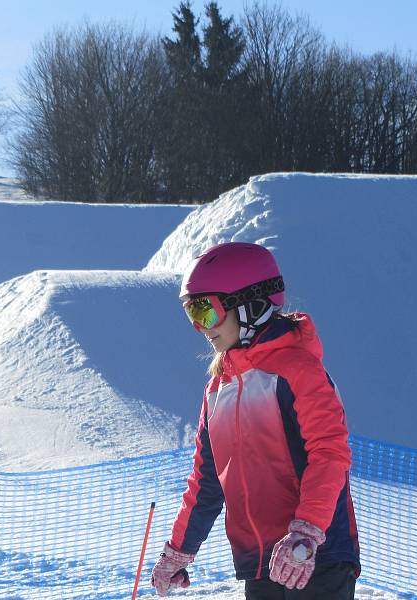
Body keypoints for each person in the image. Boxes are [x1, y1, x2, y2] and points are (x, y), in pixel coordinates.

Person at [150, 242, 360, 599]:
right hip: (261, 563)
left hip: (316, 556)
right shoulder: (218, 390)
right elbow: (206, 482)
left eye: (206, 312)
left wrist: (306, 532)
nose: (201, 328)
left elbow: (330, 454)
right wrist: (179, 550)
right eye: (192, 315)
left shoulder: (299, 372)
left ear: (249, 305)